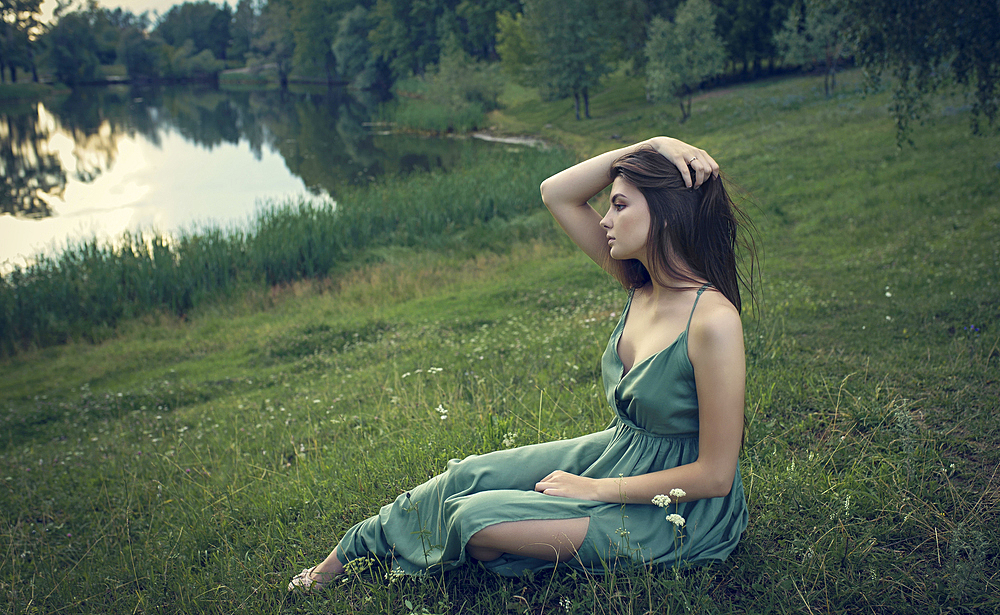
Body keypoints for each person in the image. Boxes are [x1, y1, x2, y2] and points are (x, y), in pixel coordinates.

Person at [288, 136, 754, 591]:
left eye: (619, 205)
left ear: (668, 215)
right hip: (622, 452)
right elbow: (556, 192)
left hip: (679, 514)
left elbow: (715, 475)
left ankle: (500, 542)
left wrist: (595, 490)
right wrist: (648, 146)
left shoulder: (712, 321)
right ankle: (348, 554)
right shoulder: (640, 282)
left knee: (474, 515)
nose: (606, 220)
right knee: (468, 475)